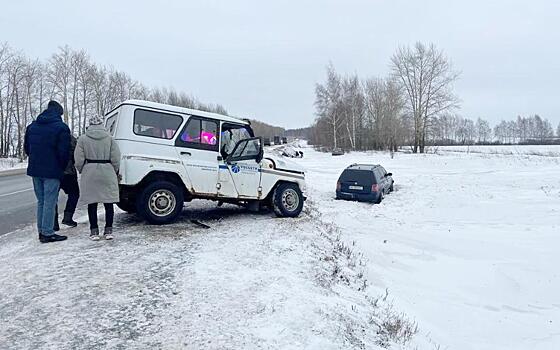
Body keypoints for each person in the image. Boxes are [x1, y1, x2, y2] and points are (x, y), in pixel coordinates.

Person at [24, 100, 70, 243]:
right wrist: (61, 168)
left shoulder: (32, 127)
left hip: (35, 169)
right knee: (50, 201)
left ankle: (42, 230)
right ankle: (48, 233)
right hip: (52, 170)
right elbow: (64, 152)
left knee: (41, 201)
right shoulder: (61, 128)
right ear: (58, 113)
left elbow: (27, 149)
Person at [74, 115, 120, 240]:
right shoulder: (110, 139)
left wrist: (82, 169)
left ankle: (94, 231)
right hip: (107, 170)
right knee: (108, 202)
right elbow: (116, 158)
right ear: (102, 124)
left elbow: (78, 159)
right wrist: (114, 170)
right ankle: (108, 230)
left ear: (90, 124)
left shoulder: (82, 139)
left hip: (90, 170)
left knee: (92, 203)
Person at [54, 134, 80, 231]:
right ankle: (68, 217)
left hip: (53, 172)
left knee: (52, 197)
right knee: (74, 194)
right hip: (69, 172)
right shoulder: (70, 137)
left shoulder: (51, 136)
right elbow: (76, 154)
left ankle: (53, 222)